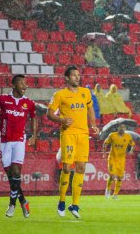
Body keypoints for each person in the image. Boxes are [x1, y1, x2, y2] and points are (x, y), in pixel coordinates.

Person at [47, 66, 99, 219]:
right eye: (74, 75)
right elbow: (49, 114)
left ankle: (75, 204)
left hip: (83, 134)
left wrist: (94, 125)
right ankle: (62, 201)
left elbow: (90, 109)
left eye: (78, 75)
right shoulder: (60, 95)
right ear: (67, 78)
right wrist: (62, 120)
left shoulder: (86, 92)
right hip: (68, 134)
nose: (77, 77)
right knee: (67, 168)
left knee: (82, 167)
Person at [0, 75, 37, 218]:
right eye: (21, 83)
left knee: (16, 172)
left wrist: (34, 136)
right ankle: (23, 201)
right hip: (5, 141)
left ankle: (12, 205)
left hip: (20, 140)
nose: (25, 86)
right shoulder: (2, 99)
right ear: (13, 85)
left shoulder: (28, 103)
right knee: (11, 177)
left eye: (26, 83)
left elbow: (33, 117)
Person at [102, 124, 135, 199]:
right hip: (112, 158)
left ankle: (115, 194)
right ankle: (108, 190)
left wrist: (131, 150)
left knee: (120, 177)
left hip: (121, 160)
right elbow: (105, 143)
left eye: (123, 127)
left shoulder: (128, 136)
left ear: (125, 128)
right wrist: (104, 153)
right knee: (112, 176)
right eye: (120, 127)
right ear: (118, 128)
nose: (122, 129)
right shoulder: (112, 135)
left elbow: (133, 145)